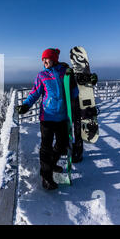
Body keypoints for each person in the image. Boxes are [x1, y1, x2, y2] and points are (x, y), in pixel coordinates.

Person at [17, 48, 78, 190]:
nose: (44, 61)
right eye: (43, 59)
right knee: (46, 147)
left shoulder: (64, 73)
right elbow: (34, 93)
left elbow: (74, 93)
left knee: (62, 144)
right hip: (47, 117)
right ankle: (46, 177)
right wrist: (26, 105)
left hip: (62, 117)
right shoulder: (42, 75)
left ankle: (51, 164)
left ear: (54, 59)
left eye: (47, 58)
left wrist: (73, 80)